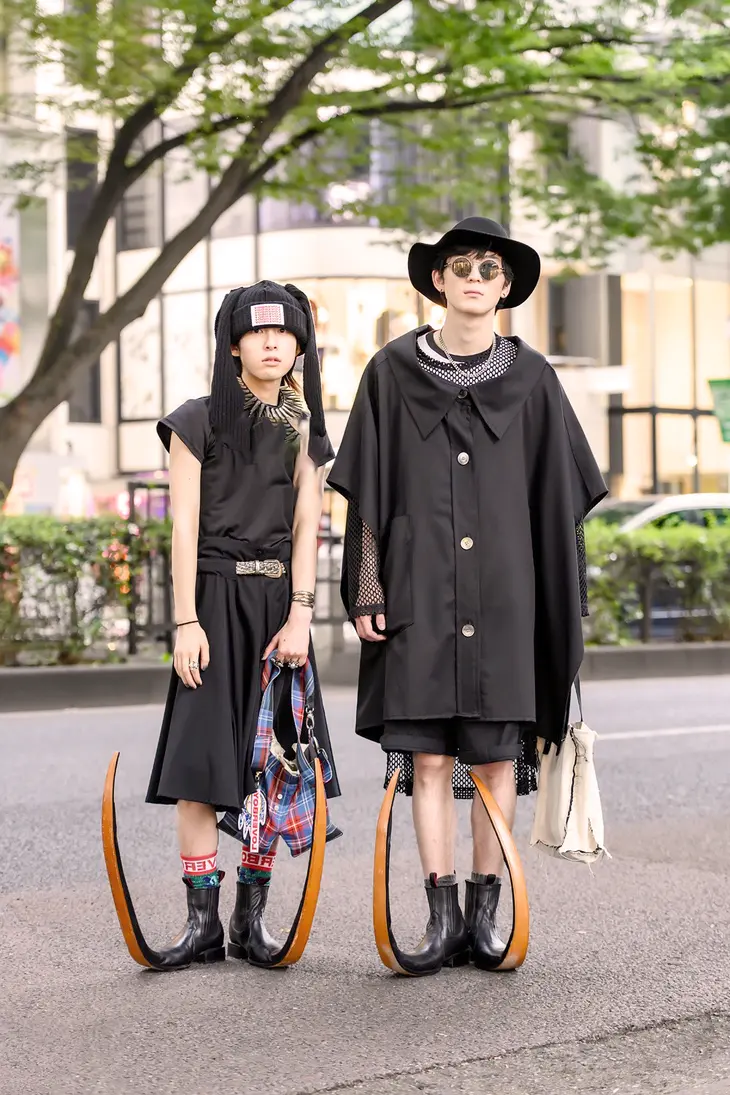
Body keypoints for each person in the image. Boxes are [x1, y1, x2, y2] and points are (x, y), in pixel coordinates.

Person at [327, 217, 607, 976]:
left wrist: (563, 603)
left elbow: (563, 502)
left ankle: (489, 907)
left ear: (505, 284)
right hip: (419, 593)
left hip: (508, 599)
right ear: (439, 281)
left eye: (489, 267)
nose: (476, 277)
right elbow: (366, 493)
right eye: (462, 266)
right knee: (422, 758)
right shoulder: (390, 371)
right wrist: (367, 585)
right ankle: (439, 910)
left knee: (491, 761)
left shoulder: (534, 378)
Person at [141, 280, 339, 970]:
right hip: (213, 602)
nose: (274, 343)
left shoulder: (306, 430)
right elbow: (183, 527)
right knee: (198, 765)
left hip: (278, 608)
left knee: (272, 768)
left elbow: (309, 524)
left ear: (299, 345)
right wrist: (185, 619)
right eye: (258, 333)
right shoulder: (196, 421)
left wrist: (302, 615)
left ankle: (249, 921)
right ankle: (201, 923)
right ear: (233, 344)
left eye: (286, 333)